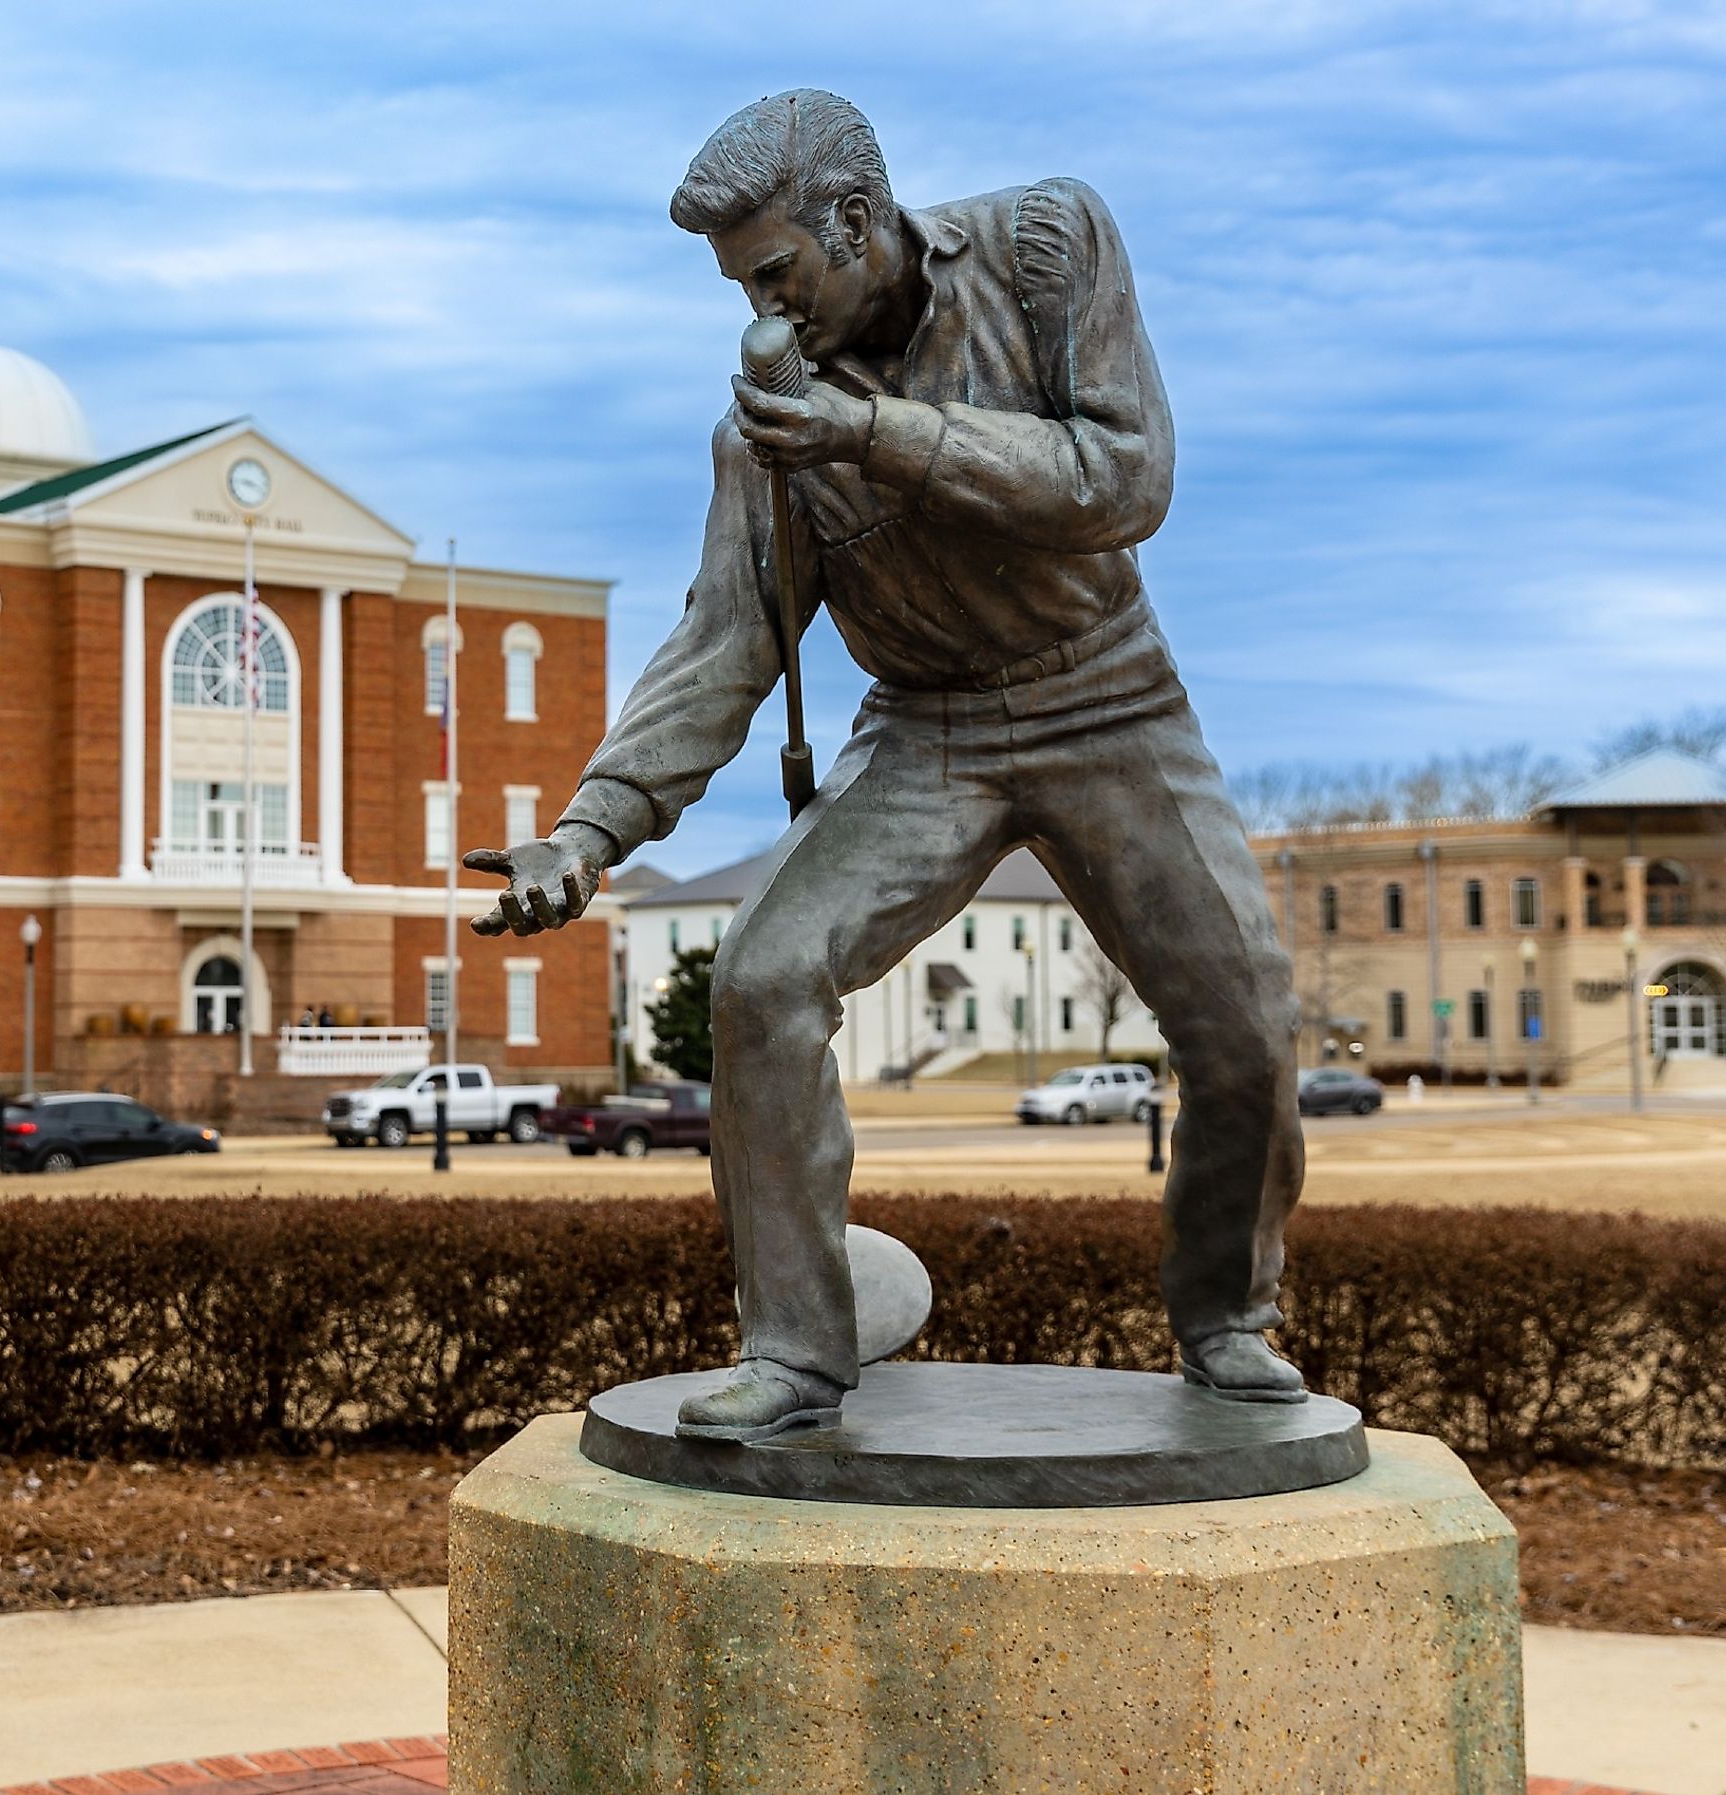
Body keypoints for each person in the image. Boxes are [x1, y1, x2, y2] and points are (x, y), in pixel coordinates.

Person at [466, 90, 1305, 1442]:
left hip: (1111, 701)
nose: (761, 311)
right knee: (761, 978)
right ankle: (800, 1349)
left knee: (1247, 1025)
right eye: (739, 285)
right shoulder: (764, 430)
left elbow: (1123, 477)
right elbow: (726, 640)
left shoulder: (1049, 246)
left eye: (777, 272)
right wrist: (593, 828)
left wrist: (875, 437)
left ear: (859, 219)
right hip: (924, 731)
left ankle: (1227, 1318)